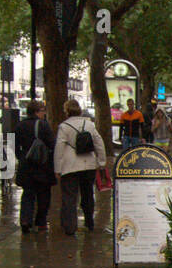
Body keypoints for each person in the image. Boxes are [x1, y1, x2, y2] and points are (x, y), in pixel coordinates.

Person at [53, 98, 107, 236]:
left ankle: (70, 227)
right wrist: (101, 163)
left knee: (70, 197)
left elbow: (59, 148)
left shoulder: (64, 127)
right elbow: (99, 143)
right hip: (88, 164)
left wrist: (57, 169)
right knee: (88, 194)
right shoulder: (89, 124)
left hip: (70, 166)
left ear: (66, 111)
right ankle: (89, 222)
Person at [15, 98, 56, 233]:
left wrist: (21, 157)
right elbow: (52, 144)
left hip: (26, 165)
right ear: (37, 112)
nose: (44, 113)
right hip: (42, 166)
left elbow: (14, 146)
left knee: (28, 194)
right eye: (43, 111)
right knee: (43, 194)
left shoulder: (20, 125)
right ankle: (41, 222)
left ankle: (25, 220)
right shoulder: (43, 125)